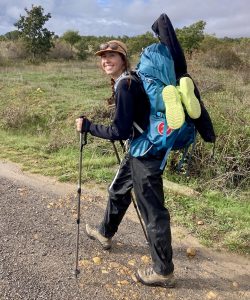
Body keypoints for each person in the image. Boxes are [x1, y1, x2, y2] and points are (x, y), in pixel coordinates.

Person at [75, 40, 176, 288]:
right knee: (118, 190)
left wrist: (89, 127)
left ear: (123, 59)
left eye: (112, 56)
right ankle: (104, 233)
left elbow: (119, 130)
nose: (106, 60)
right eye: (103, 57)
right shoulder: (129, 80)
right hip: (140, 148)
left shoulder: (126, 86)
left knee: (153, 211)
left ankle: (163, 271)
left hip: (147, 154)